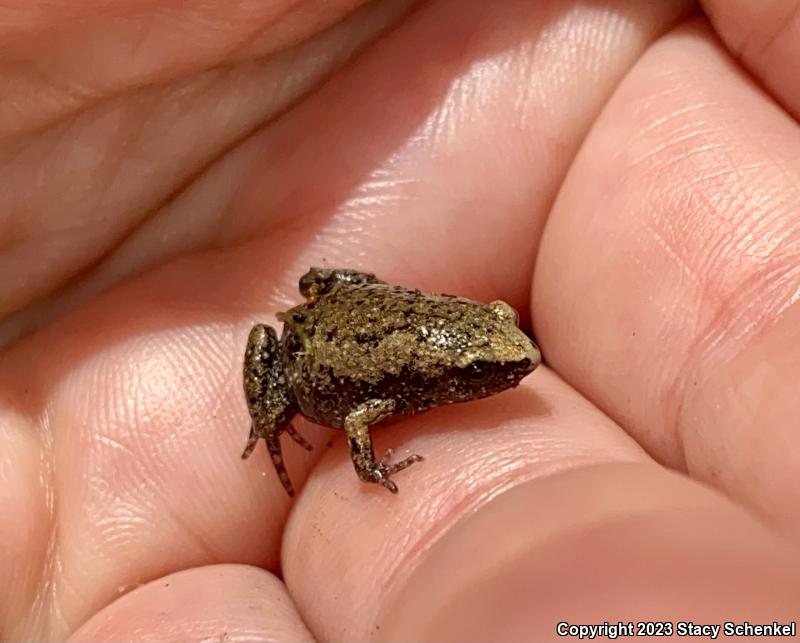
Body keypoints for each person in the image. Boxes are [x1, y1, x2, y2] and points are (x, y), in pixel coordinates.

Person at [2, 1, 799, 640]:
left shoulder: (444, 348)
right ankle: (266, 415)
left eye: (497, 348)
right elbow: (356, 425)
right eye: (488, 369)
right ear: (452, 376)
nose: (511, 367)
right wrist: (369, 468)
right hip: (307, 352)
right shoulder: (392, 398)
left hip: (350, 314)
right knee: (275, 381)